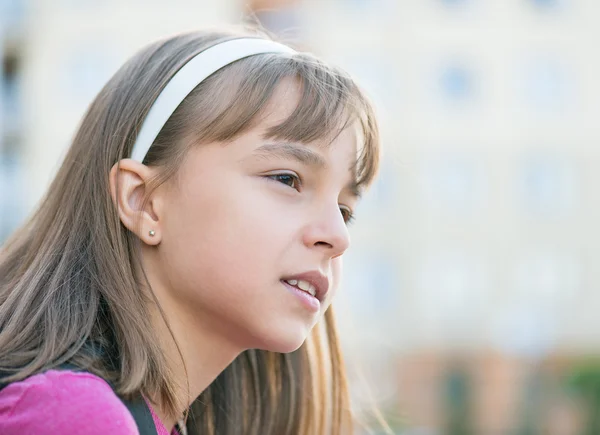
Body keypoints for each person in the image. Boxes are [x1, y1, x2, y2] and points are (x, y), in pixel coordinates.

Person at [0, 27, 380, 434]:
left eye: (344, 209)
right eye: (287, 179)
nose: (338, 237)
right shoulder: (72, 416)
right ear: (143, 201)